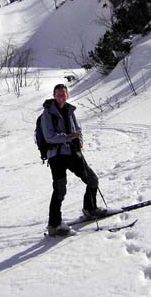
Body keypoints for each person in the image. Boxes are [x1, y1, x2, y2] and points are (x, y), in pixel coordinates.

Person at [41, 83, 106, 236]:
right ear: (54, 95)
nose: (61, 97)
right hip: (56, 156)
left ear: (67, 95)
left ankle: (90, 209)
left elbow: (77, 130)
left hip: (71, 152)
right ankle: (54, 225)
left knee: (92, 179)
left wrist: (79, 140)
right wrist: (71, 137)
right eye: (58, 94)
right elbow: (49, 136)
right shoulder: (47, 113)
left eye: (63, 94)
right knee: (60, 190)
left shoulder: (70, 110)